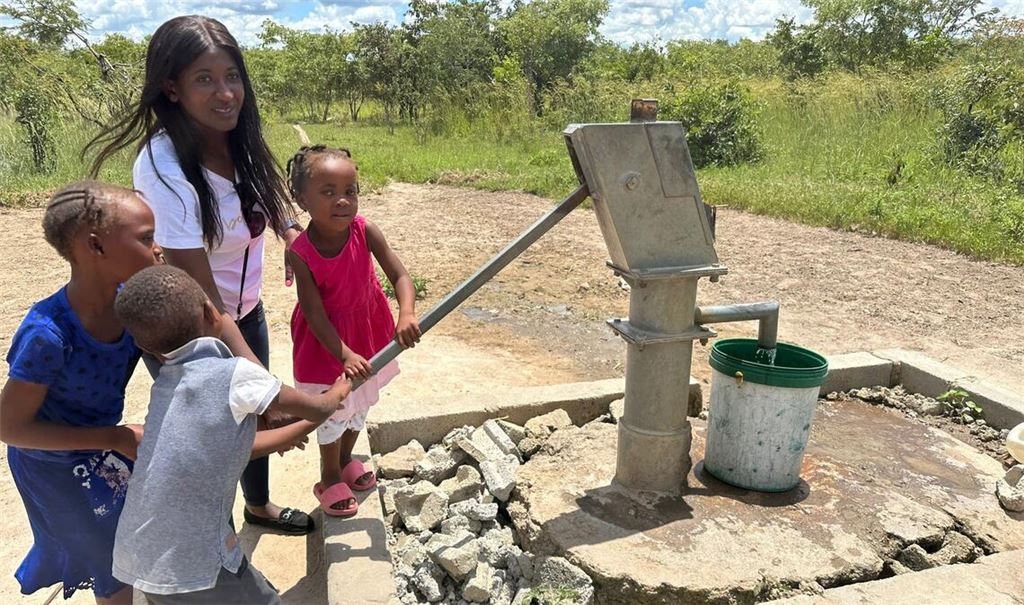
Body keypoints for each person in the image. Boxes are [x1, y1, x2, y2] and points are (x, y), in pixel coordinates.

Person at [86, 15, 311, 534]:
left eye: (231, 76)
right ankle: (217, 540)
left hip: (242, 308)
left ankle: (258, 506)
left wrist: (292, 234)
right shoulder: (163, 167)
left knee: (250, 416)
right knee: (216, 431)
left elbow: (270, 193)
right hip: (187, 330)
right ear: (173, 88)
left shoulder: (238, 138)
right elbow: (201, 301)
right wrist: (266, 385)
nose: (225, 93)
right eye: (204, 80)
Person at [111, 265, 350, 604]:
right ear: (213, 313)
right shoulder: (234, 374)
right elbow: (317, 408)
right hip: (196, 560)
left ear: (146, 348)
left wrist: (292, 431)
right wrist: (341, 391)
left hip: (141, 557)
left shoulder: (166, 384)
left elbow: (219, 451)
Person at [0, 181, 163, 604]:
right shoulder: (48, 335)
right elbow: (10, 427)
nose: (158, 248)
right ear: (96, 246)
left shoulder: (129, 305)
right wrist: (113, 437)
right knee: (108, 563)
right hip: (52, 466)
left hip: (102, 449)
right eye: (146, 238)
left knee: (124, 544)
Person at [286, 145, 421, 516]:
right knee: (332, 410)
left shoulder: (366, 230)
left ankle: (347, 460)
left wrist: (406, 312)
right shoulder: (301, 251)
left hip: (368, 330)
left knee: (360, 404)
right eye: (328, 192)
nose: (342, 201)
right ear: (302, 198)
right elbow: (314, 314)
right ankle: (329, 476)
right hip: (326, 343)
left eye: (350, 191)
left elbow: (401, 275)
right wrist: (343, 353)